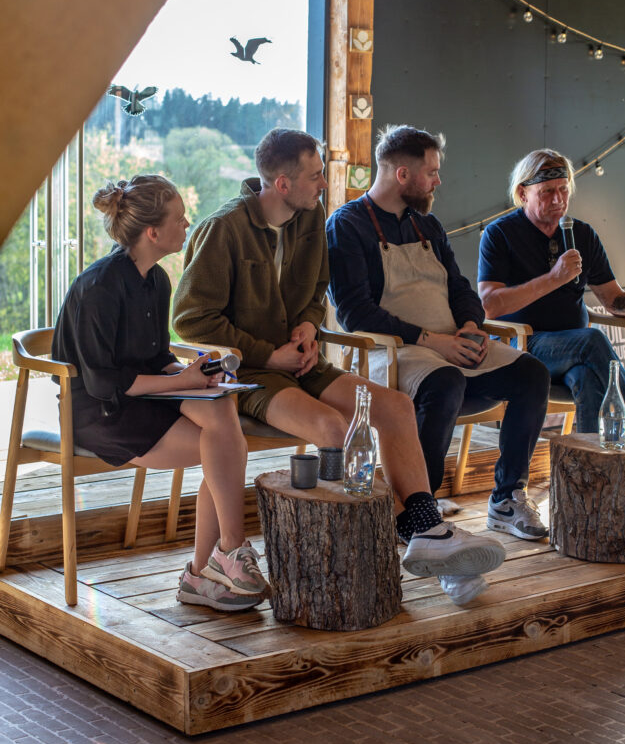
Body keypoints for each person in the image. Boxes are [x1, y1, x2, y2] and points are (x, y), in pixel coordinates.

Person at [172, 128, 505, 606]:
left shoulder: (310, 217)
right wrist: (268, 355)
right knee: (332, 428)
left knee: (394, 408)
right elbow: (191, 320)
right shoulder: (223, 229)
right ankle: (418, 535)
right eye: (316, 176)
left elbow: (317, 292)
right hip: (248, 373)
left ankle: (426, 532)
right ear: (282, 184)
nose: (325, 184)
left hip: (302, 360)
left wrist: (309, 328)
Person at [326, 125, 551, 556]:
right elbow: (355, 313)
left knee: (531, 374)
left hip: (449, 346)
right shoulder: (347, 225)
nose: (437, 181)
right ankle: (419, 512)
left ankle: (507, 497)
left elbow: (460, 287)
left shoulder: (426, 224)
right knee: (445, 381)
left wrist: (468, 325)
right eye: (431, 173)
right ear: (403, 175)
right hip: (390, 353)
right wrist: (432, 341)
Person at [51, 175, 270, 613]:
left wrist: (195, 374)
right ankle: (216, 561)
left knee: (221, 415)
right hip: (99, 413)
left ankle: (214, 563)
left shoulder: (156, 280)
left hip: (143, 397)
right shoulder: (99, 287)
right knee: (226, 448)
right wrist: (180, 381)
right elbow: (104, 384)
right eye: (179, 217)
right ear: (152, 232)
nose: (188, 223)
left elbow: (155, 359)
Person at [477, 149, 625, 470]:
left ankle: (590, 473)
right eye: (547, 191)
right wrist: (553, 279)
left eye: (563, 189)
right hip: (521, 347)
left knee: (587, 375)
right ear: (523, 193)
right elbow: (490, 305)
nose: (558, 199)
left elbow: (614, 300)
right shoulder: (500, 234)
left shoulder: (581, 234)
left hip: (575, 352)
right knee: (592, 340)